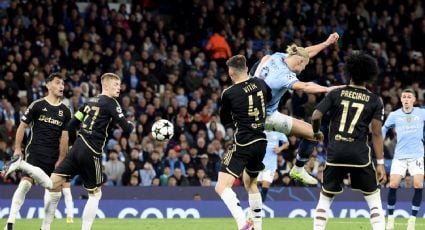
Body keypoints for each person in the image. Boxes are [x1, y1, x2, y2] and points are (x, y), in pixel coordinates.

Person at [4, 73, 134, 230]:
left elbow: (72, 124)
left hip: (77, 147)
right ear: (105, 85)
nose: (119, 88)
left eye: (119, 85)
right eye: (116, 84)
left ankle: (43, 225)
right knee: (95, 194)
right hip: (91, 150)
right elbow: (126, 128)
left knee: (52, 184)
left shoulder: (89, 102)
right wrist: (131, 125)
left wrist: (76, 143)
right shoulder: (112, 103)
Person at [250, 32, 342, 185]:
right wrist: (329, 89)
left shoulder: (278, 56)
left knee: (314, 134)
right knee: (315, 135)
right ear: (299, 61)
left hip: (255, 110)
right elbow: (305, 86)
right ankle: (298, 167)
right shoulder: (284, 75)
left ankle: (298, 170)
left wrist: (326, 43)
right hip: (263, 118)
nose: (303, 69)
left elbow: (305, 53)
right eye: (305, 65)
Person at [311, 52, 386, 230]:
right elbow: (376, 133)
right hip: (359, 155)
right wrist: (381, 163)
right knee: (373, 198)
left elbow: (316, 115)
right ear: (369, 75)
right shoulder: (375, 100)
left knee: (325, 198)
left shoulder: (336, 93)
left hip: (336, 152)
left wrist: (316, 132)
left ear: (349, 72)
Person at [3, 73, 71, 230]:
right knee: (26, 183)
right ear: (48, 85)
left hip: (54, 156)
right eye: (58, 83)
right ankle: (10, 222)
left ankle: (45, 227)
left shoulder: (66, 111)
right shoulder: (37, 105)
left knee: (55, 192)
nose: (62, 86)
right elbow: (22, 126)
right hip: (35, 151)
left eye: (63, 83)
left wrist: (61, 158)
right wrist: (17, 148)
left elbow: (65, 137)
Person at [215, 54, 270, 230]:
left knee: (221, 186)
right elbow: (267, 99)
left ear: (231, 73)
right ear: (246, 68)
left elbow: (225, 120)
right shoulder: (261, 84)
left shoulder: (229, 93)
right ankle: (258, 227)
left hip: (244, 142)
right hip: (261, 141)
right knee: (251, 183)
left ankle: (243, 224)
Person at [382, 89, 425, 230]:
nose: (406, 99)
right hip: (399, 156)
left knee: (418, 185)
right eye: (404, 97)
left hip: (417, 155)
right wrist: (379, 140)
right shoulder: (395, 115)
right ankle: (390, 220)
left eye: (409, 97)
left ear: (414, 100)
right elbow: (385, 127)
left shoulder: (421, 112)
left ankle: (412, 220)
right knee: (393, 184)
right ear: (401, 100)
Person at [257, 130, 288, 201]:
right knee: (254, 185)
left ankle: (259, 208)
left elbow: (287, 143)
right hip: (258, 164)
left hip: (271, 165)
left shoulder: (278, 132)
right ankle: (253, 205)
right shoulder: (260, 131)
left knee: (265, 187)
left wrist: (280, 148)